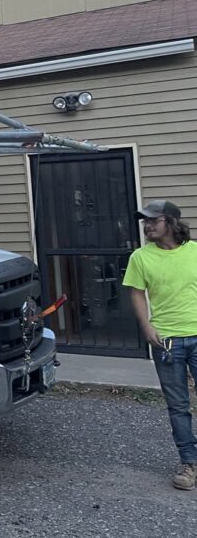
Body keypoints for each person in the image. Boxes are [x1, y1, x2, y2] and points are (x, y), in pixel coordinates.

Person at [123, 199, 197, 490]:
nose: (147, 225)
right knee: (178, 405)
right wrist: (147, 325)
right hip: (167, 341)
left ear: (172, 222)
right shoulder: (140, 258)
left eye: (154, 220)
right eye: (145, 221)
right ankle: (189, 463)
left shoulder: (194, 252)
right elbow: (137, 294)